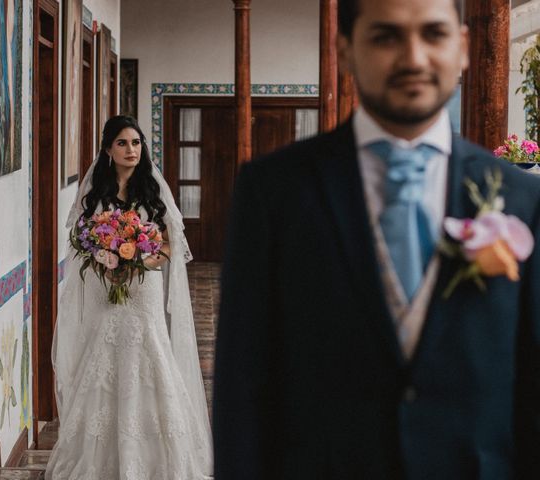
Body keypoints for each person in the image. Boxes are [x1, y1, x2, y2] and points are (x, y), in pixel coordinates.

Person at [213, 0, 540, 478]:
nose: (413, 57)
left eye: (433, 34)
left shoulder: (522, 199)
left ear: (464, 48)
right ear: (345, 50)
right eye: (386, 36)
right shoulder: (273, 192)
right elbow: (242, 389)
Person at [46, 116, 213, 479]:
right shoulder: (95, 197)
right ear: (108, 149)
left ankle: (159, 459)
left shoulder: (152, 193)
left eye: (136, 143)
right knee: (105, 351)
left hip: (145, 286)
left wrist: (139, 260)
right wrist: (108, 261)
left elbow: (171, 246)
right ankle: (100, 457)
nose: (131, 150)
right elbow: (82, 245)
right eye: (122, 143)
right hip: (107, 287)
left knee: (150, 349)